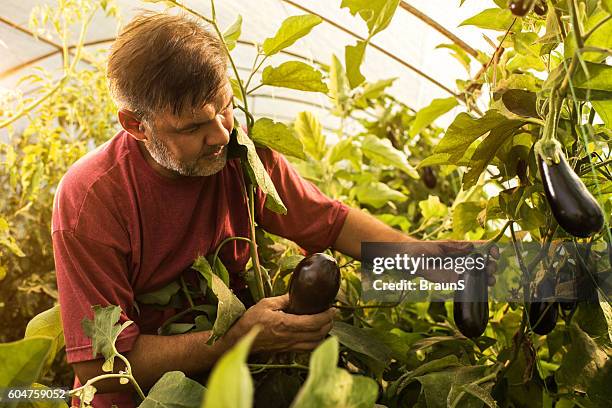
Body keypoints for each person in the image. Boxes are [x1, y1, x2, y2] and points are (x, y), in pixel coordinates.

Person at [51, 11, 495, 408]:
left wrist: (432, 260)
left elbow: (328, 221)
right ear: (135, 125)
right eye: (192, 127)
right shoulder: (91, 200)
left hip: (236, 384)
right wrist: (239, 337)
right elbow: (101, 369)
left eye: (224, 106)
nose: (221, 135)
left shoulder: (237, 149)